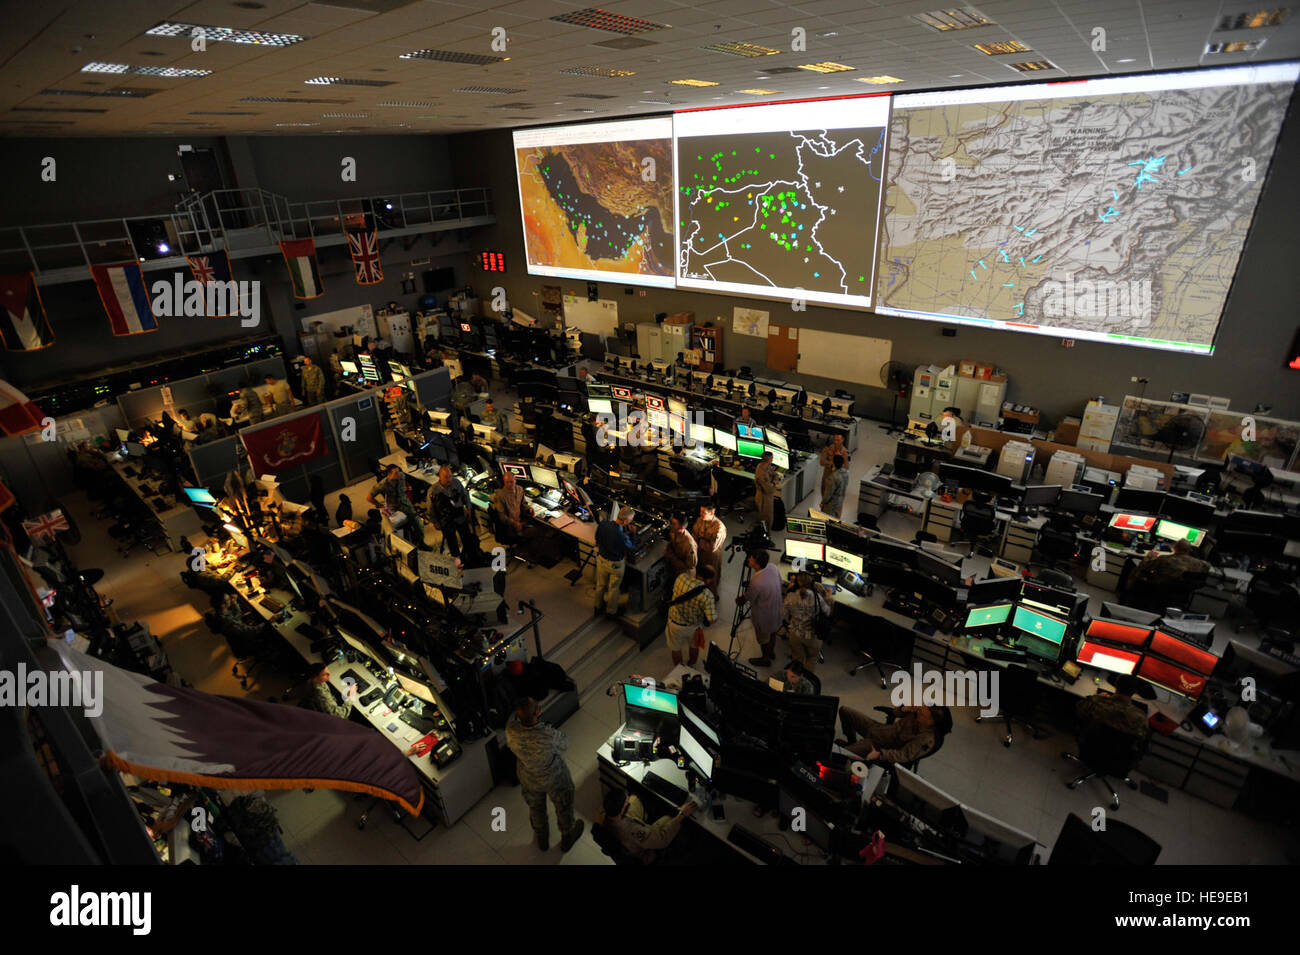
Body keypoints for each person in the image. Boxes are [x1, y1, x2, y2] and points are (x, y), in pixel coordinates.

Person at [505, 696, 585, 852]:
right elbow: (564, 746)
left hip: (528, 777)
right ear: (538, 712)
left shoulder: (511, 730)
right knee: (563, 805)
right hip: (554, 777)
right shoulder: (548, 735)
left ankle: (542, 837)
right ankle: (567, 836)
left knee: (535, 807)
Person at [600, 786, 694, 864]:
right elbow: (661, 839)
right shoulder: (633, 831)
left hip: (630, 839)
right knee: (673, 818)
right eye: (626, 802)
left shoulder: (609, 817)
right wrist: (682, 815)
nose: (628, 800)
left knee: (636, 797)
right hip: (648, 852)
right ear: (621, 811)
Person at [1075, 675, 1153, 762]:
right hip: (1118, 760)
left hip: (1089, 748)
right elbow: (1143, 742)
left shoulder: (1096, 703)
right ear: (1135, 691)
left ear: (1115, 684)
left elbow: (1079, 709)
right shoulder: (1140, 717)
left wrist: (1097, 697)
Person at [838, 703, 946, 764]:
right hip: (879, 729)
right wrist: (904, 709)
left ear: (931, 722)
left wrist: (880, 754)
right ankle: (851, 742)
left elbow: (903, 756)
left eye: (922, 713)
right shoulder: (917, 714)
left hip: (879, 746)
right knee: (844, 710)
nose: (919, 711)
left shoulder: (926, 740)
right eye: (922, 708)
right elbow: (895, 713)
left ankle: (850, 750)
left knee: (840, 755)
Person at [1123, 539, 1210, 608]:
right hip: (1181, 590)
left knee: (1137, 569)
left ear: (1175, 548)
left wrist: (1150, 555)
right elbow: (1207, 566)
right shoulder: (1199, 564)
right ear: (1189, 550)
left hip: (1159, 586)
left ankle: (1126, 594)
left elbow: (1145, 566)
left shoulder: (1164, 559)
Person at [665, 565, 717, 667]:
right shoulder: (707, 595)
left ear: (698, 574)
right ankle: (691, 665)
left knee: (676, 649)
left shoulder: (681, 578)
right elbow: (712, 620)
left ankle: (679, 669)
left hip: (675, 624)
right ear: (709, 580)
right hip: (694, 627)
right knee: (694, 646)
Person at [740, 549, 784, 667]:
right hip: (777, 610)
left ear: (756, 563)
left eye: (751, 558)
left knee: (764, 639)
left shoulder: (756, 580)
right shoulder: (773, 567)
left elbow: (749, 597)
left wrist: (739, 600)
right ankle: (771, 652)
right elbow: (780, 583)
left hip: (764, 616)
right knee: (773, 633)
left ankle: (765, 659)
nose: (748, 559)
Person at [782, 572, 831, 674]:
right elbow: (828, 612)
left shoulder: (790, 597)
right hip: (812, 636)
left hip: (795, 634)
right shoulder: (817, 598)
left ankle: (795, 679)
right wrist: (828, 596)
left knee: (797, 659)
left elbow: (783, 614)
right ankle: (806, 680)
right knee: (812, 659)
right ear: (812, 583)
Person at [594, 507, 638, 617]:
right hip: (615, 565)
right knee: (613, 588)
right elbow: (632, 548)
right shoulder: (622, 536)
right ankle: (611, 612)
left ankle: (597, 607)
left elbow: (597, 538)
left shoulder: (603, 524)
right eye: (631, 520)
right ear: (626, 521)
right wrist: (633, 534)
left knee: (600, 585)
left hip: (601, 559)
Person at [368, 464, 424, 544]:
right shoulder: (383, 484)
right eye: (396, 473)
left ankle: (421, 543)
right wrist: (380, 505)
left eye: (399, 471)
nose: (399, 474)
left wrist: (407, 488)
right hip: (394, 507)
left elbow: (401, 488)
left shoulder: (402, 476)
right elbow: (369, 498)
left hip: (406, 504)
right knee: (399, 529)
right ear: (389, 474)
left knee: (418, 524)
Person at [431, 465, 476, 558]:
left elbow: (465, 495)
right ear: (440, 477)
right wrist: (435, 521)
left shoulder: (456, 482)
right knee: (452, 543)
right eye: (446, 477)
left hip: (460, 515)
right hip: (446, 520)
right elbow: (430, 508)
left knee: (467, 539)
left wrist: (468, 508)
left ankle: (470, 557)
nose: (449, 479)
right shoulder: (433, 490)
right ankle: (457, 560)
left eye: (450, 476)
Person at [692, 503, 726, 598]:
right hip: (700, 554)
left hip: (711, 558)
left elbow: (712, 547)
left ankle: (713, 596)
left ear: (712, 513)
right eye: (701, 511)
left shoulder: (719, 527)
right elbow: (694, 535)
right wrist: (702, 540)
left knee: (711, 580)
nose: (701, 514)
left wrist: (700, 540)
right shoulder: (700, 520)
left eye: (704, 512)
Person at [491, 470, 527, 544]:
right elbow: (502, 516)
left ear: (515, 480)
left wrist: (529, 508)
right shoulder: (500, 495)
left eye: (511, 482)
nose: (509, 484)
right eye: (507, 482)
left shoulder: (520, 489)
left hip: (520, 521)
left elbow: (524, 504)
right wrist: (514, 523)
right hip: (509, 527)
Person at [664, 514, 698, 579]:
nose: (671, 526)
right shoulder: (674, 532)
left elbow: (691, 565)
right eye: (671, 523)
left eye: (674, 524)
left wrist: (672, 557)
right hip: (676, 569)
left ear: (682, 528)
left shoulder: (689, 545)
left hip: (686, 575)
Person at [819, 434, 850, 502]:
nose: (836, 442)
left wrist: (837, 460)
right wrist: (833, 463)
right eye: (835, 440)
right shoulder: (828, 449)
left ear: (842, 440)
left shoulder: (845, 453)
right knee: (824, 497)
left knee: (834, 501)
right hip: (827, 477)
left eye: (838, 440)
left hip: (837, 480)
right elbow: (821, 462)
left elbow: (846, 467)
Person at [753, 450, 779, 530]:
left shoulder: (765, 466)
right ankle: (766, 535)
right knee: (767, 518)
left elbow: (775, 474)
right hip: (764, 498)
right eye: (772, 458)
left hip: (766, 496)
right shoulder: (762, 472)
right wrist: (775, 482)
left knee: (766, 517)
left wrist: (774, 480)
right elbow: (769, 489)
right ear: (770, 459)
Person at [821, 454, 849, 519]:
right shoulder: (846, 473)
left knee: (828, 521)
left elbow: (828, 494)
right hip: (839, 502)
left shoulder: (832, 477)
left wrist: (823, 503)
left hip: (831, 506)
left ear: (833, 463)